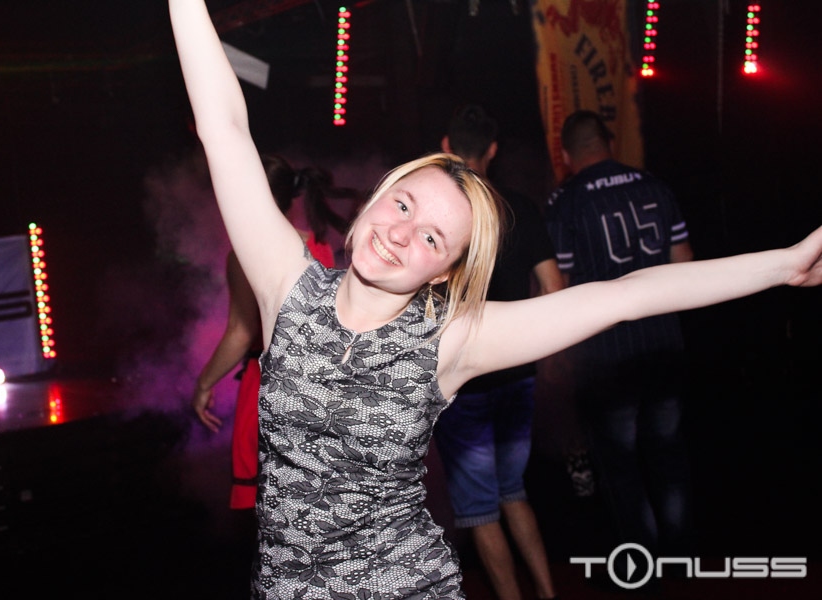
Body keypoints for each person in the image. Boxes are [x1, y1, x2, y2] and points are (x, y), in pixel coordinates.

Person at [169, 1, 822, 597]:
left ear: (443, 272)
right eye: (403, 205)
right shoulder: (286, 285)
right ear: (374, 200)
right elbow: (223, 125)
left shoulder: (451, 338)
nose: (401, 234)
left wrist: (785, 265)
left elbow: (628, 294)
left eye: (432, 237)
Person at [544, 109, 695, 557]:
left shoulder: (566, 201)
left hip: (606, 354)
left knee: (621, 463)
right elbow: (685, 264)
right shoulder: (655, 186)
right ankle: (680, 557)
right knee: (668, 452)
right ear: (609, 142)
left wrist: (558, 354)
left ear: (566, 155)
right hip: (663, 342)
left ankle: (640, 567)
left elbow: (559, 287)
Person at [433, 104, 561, 600]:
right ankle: (547, 593)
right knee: (513, 491)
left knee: (479, 510)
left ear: (446, 146)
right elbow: (553, 287)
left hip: (464, 378)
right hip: (518, 372)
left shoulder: (444, 211)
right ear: (492, 149)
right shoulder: (520, 207)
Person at [192, 153, 355, 509]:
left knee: (269, 515)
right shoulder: (320, 245)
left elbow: (240, 332)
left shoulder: (245, 255)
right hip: (320, 394)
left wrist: (203, 385)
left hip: (268, 388)